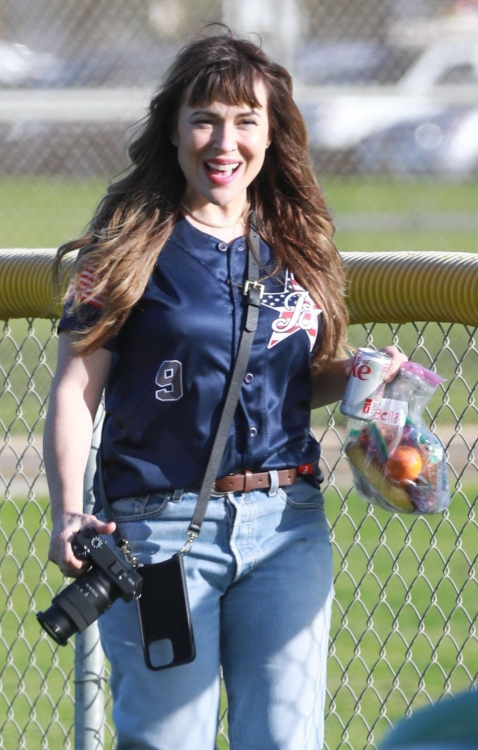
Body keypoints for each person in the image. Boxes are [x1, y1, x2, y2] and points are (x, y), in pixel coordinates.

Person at [45, 29, 407, 750]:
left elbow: (293, 382)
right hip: (155, 535)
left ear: (271, 137)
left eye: (247, 121)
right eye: (206, 117)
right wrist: (68, 513)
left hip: (288, 526)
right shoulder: (123, 244)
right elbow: (74, 391)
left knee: (283, 739)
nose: (224, 140)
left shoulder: (297, 242)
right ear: (174, 127)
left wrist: (362, 374)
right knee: (166, 740)